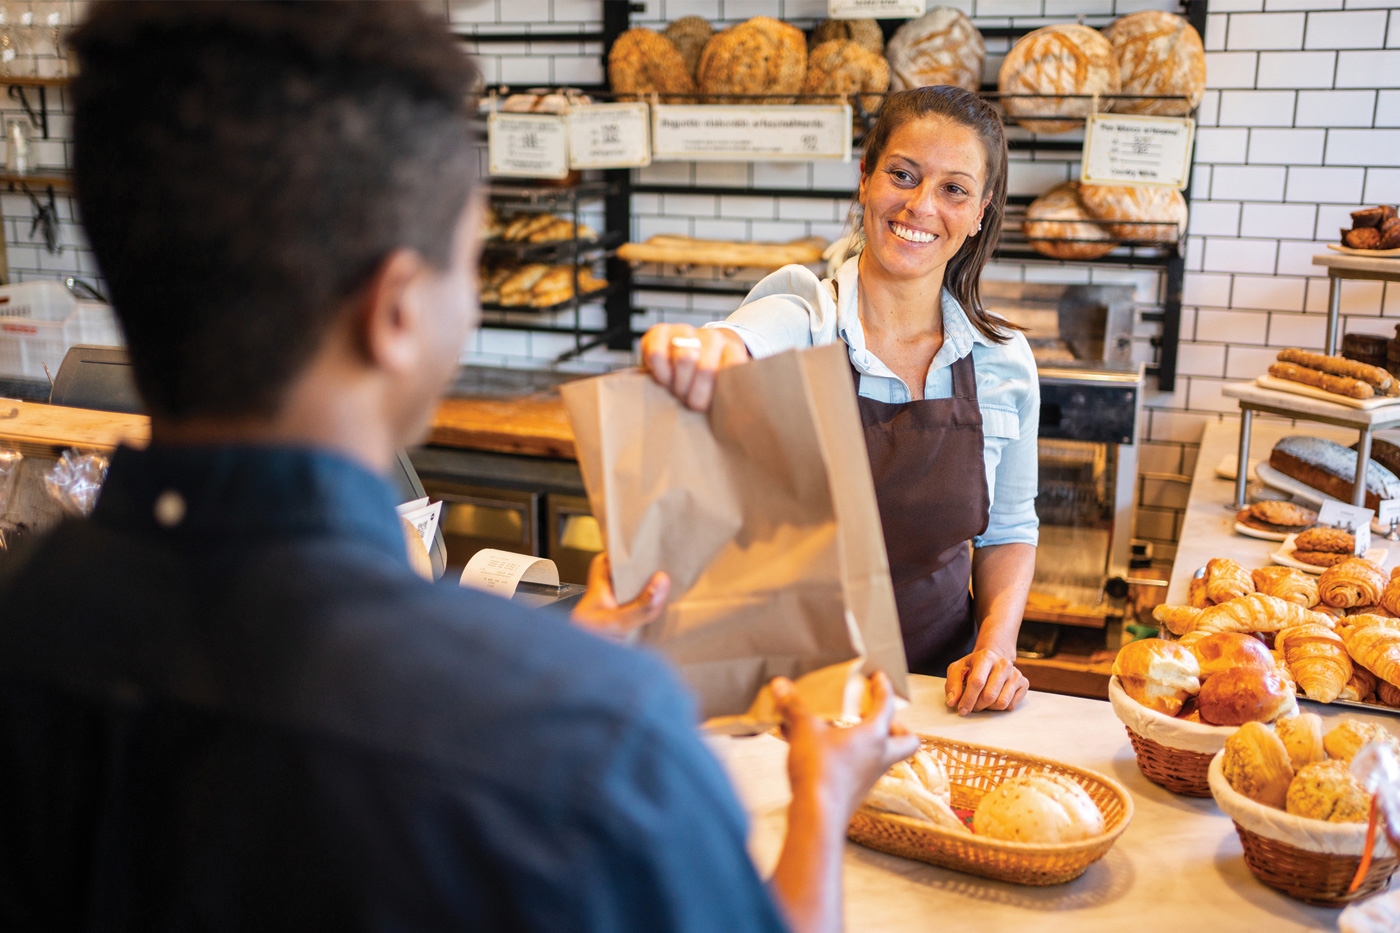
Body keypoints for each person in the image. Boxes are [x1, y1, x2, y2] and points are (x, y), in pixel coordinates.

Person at [0, 4, 917, 931]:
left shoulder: (26, 620)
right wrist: (823, 795)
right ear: (396, 309)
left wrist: (548, 653)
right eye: (469, 259)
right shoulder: (598, 742)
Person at [643, 87, 1039, 717]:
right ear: (865, 179)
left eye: (954, 190)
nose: (920, 205)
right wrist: (699, 352)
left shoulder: (1002, 360)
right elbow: (737, 341)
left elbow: (1009, 531)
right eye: (902, 175)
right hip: (794, 698)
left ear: (982, 210)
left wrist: (997, 646)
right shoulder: (804, 321)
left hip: (944, 695)